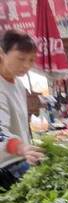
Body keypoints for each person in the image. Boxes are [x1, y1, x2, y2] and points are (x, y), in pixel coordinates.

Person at [0, 30, 44, 190]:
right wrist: (22, 148)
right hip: (4, 169)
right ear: (2, 53)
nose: (26, 65)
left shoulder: (18, 85)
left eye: (31, 60)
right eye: (20, 59)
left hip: (20, 162)